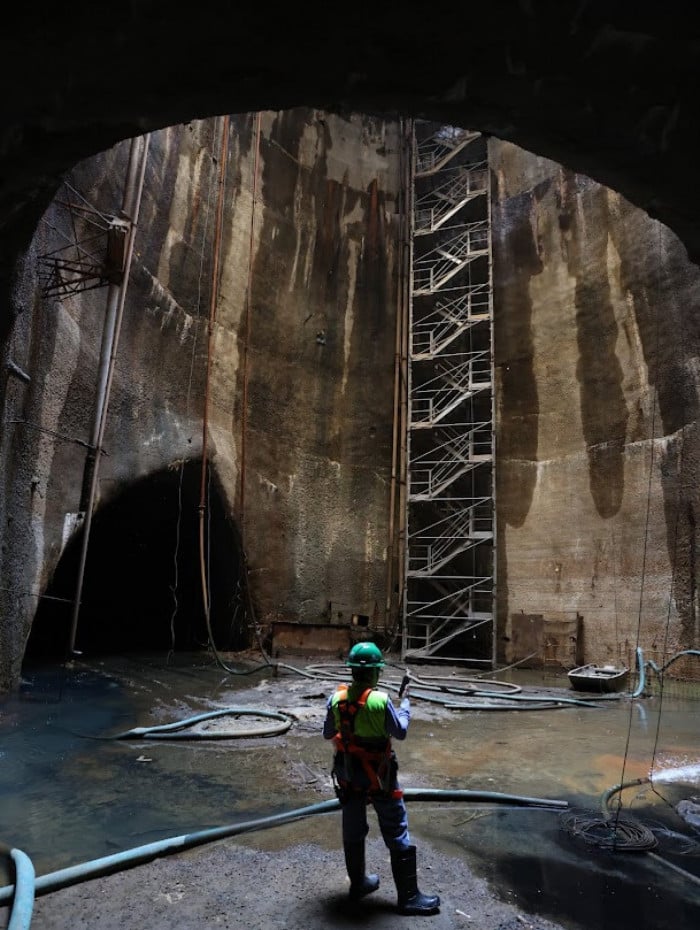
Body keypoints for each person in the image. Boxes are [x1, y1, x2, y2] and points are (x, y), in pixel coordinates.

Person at [322, 641, 440, 916]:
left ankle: (359, 884)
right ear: (377, 673)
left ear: (352, 671)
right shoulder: (381, 700)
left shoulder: (336, 699)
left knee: (352, 828)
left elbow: (328, 733)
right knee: (396, 826)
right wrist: (406, 702)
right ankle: (408, 897)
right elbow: (400, 732)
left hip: (349, 774)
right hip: (379, 776)